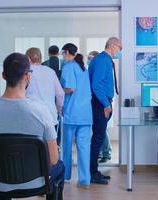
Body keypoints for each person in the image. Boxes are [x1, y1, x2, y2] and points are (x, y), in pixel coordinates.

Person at [0, 53, 64, 199]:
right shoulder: (41, 111)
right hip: (36, 182)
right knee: (60, 166)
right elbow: (53, 159)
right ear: (28, 76)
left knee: (2, 174)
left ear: (3, 76)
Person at [88, 37, 122, 184]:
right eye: (120, 48)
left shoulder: (105, 60)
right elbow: (96, 85)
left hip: (104, 102)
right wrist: (105, 104)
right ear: (113, 45)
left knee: (99, 137)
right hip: (100, 104)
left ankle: (94, 171)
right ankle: (93, 173)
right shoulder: (102, 60)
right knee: (97, 138)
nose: (120, 51)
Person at [60, 43, 93, 189]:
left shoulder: (68, 66)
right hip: (85, 113)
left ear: (67, 52)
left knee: (67, 146)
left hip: (72, 113)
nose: (63, 56)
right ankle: (85, 181)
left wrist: (59, 90)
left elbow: (70, 88)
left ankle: (65, 176)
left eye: (63, 53)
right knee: (84, 147)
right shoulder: (83, 68)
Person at [25, 47, 65, 146]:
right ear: (41, 58)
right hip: (50, 115)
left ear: (28, 59)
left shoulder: (25, 72)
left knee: (33, 148)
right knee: (50, 149)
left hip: (31, 116)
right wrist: (59, 107)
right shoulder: (50, 72)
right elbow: (60, 93)